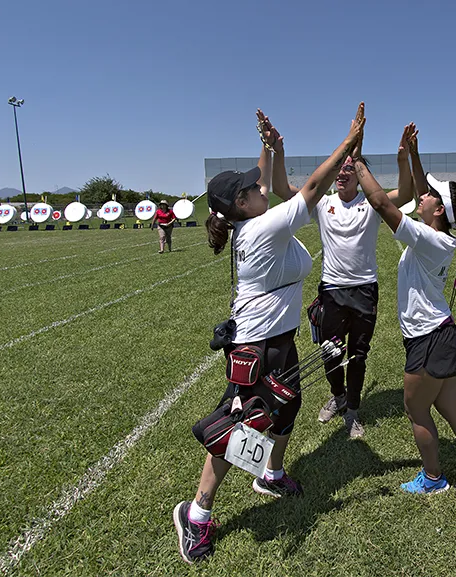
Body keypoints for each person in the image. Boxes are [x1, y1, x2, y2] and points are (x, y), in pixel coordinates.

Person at [173, 104, 364, 564]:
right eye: (252, 188)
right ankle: (196, 513)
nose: (261, 187)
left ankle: (271, 475)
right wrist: (349, 142)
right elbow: (315, 186)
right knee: (239, 426)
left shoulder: (250, 216)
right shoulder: (261, 228)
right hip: (257, 345)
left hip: (277, 340)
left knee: (288, 404)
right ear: (242, 203)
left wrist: (271, 146)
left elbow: (262, 176)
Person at [353, 124, 456, 508]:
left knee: (416, 408)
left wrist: (355, 162)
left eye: (429, 196)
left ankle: (434, 477)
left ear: (438, 210)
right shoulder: (435, 233)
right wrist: (415, 155)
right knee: (452, 409)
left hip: (429, 338)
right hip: (439, 333)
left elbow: (384, 206)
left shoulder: (428, 238)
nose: (420, 196)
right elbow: (422, 192)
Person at [259, 115, 418, 438]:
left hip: (364, 292)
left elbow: (405, 192)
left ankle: (354, 411)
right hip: (331, 291)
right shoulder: (322, 203)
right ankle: (337, 396)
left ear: (359, 177)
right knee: (331, 353)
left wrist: (404, 159)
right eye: (339, 170)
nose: (343, 174)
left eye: (350, 170)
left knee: (358, 356)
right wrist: (278, 150)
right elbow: (279, 189)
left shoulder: (373, 204)